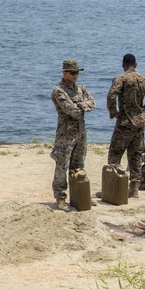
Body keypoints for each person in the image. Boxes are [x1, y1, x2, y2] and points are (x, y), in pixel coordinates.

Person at [106, 53, 145, 198]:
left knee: (115, 153)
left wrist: (114, 112)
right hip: (138, 123)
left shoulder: (121, 79)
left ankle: (113, 187)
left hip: (124, 122)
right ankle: (134, 188)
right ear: (135, 65)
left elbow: (111, 96)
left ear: (123, 65)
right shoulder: (144, 80)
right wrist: (144, 110)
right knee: (135, 155)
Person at [50, 59, 96, 211]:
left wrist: (81, 105)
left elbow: (92, 104)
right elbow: (72, 111)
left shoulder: (80, 89)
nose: (76, 76)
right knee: (62, 166)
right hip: (65, 134)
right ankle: (60, 198)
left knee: (79, 166)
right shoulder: (59, 90)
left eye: (77, 73)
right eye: (72, 73)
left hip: (80, 132)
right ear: (64, 73)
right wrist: (83, 105)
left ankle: (79, 196)